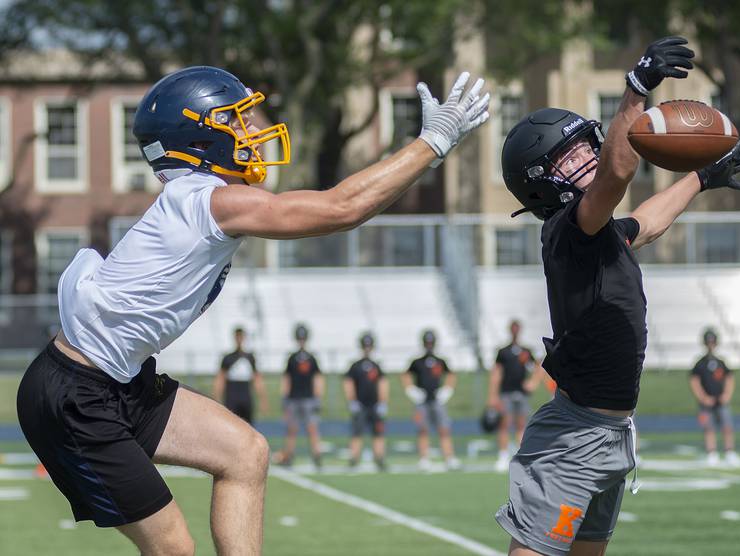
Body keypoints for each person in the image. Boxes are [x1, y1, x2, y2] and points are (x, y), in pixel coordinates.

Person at [16, 65, 489, 554]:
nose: (251, 134)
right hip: (76, 394)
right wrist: (432, 143)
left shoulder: (193, 201)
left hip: (115, 380)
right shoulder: (210, 203)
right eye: (235, 122)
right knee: (174, 547)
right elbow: (340, 209)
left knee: (245, 453)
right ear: (198, 139)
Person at [496, 36, 740, 556]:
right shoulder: (570, 228)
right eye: (568, 158)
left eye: (585, 145)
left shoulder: (600, 230)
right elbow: (618, 170)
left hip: (611, 431)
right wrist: (635, 88)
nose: (586, 157)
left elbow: (649, 222)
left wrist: (700, 179)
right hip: (576, 436)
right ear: (540, 184)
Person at [488, 319, 543, 472]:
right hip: (506, 392)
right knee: (504, 424)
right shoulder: (503, 352)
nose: (515, 331)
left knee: (521, 425)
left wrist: (533, 382)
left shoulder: (526, 350)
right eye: (513, 329)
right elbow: (496, 372)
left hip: (521, 393)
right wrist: (493, 395)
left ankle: (521, 456)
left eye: (517, 329)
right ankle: (503, 455)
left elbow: (538, 366)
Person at [402, 329, 460, 470]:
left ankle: (449, 457)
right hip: (422, 402)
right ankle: (424, 459)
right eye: (427, 342)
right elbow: (405, 375)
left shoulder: (440, 361)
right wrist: (411, 390)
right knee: (423, 430)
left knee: (444, 429)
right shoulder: (417, 362)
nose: (429, 345)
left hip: (437, 401)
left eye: (431, 342)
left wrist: (447, 390)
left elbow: (451, 375)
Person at [276, 323, 324, 469]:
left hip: (309, 399)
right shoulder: (292, 358)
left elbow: (317, 378)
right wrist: (284, 397)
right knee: (292, 429)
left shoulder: (311, 358)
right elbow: (287, 378)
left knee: (312, 428)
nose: (301, 340)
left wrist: (318, 397)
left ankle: (317, 456)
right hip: (294, 399)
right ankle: (289, 456)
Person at [689, 328, 739, 466]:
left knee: (727, 426)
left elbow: (729, 378)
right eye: (708, 342)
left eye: (713, 341)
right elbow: (694, 381)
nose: (711, 344)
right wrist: (703, 397)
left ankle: (729, 452)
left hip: (721, 401)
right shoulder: (700, 363)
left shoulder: (721, 362)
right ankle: (711, 453)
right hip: (706, 403)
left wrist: (727, 395)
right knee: (708, 428)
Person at [344, 332, 389, 470]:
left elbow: (382, 384)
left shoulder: (376, 365)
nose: (367, 348)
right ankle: (354, 458)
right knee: (357, 433)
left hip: (375, 405)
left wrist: (382, 402)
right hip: (360, 404)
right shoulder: (355, 366)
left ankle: (379, 458)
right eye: (365, 346)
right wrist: (352, 401)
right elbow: (348, 383)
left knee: (378, 433)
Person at [213, 326, 268, 424]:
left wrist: (262, 399)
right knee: (230, 424)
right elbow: (220, 378)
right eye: (237, 337)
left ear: (244, 338)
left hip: (245, 394)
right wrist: (217, 396)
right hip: (232, 394)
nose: (239, 339)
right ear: (234, 338)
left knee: (248, 426)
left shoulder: (250, 357)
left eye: (241, 337)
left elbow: (257, 379)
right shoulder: (228, 358)